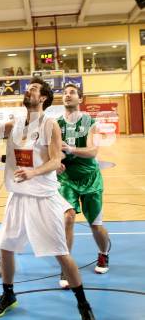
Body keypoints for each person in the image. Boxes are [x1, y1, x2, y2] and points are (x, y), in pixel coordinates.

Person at [0, 77, 95, 320]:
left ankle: (83, 303)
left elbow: (56, 161)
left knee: (60, 252)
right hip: (17, 195)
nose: (29, 91)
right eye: (28, 89)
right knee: (5, 248)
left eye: (34, 89)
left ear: (43, 98)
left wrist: (33, 172)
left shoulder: (50, 124)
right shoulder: (15, 123)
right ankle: (8, 294)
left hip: (43, 197)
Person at [57, 83, 110, 289]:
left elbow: (93, 151)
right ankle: (66, 265)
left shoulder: (91, 123)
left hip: (90, 178)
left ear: (81, 99)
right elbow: (55, 150)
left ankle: (104, 253)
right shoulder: (56, 123)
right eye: (65, 93)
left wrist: (69, 149)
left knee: (95, 225)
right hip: (67, 179)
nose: (67, 95)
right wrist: (56, 162)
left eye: (72, 93)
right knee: (68, 217)